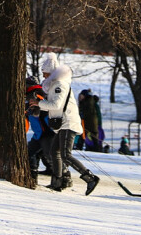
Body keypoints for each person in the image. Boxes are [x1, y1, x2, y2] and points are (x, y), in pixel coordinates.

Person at [38, 52, 100, 195]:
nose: (43, 76)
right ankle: (58, 182)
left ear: (52, 72)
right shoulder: (55, 84)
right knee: (55, 152)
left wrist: (40, 103)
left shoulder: (60, 84)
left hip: (68, 123)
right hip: (62, 124)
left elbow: (56, 104)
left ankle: (90, 178)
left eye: (45, 73)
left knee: (65, 154)